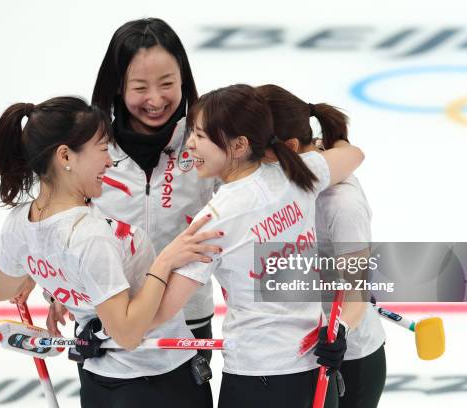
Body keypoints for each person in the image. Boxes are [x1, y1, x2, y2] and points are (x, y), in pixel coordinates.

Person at [0, 96, 216, 408]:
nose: (109, 161)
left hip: (97, 382)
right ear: (65, 156)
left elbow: (3, 289)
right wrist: (165, 261)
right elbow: (127, 333)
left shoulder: (18, 223)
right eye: (102, 148)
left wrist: (39, 268)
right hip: (155, 383)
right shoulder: (89, 235)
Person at [149, 84, 365, 408]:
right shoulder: (295, 173)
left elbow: (158, 313)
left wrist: (162, 261)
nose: (190, 145)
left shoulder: (214, 220)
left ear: (238, 145)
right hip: (314, 374)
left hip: (259, 381)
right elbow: (352, 155)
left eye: (201, 136)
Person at [47, 17, 217, 362]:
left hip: (186, 316)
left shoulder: (207, 142)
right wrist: (54, 289)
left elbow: (259, 204)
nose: (155, 99)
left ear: (183, 79)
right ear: (117, 87)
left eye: (167, 83)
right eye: (140, 87)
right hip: (109, 317)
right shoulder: (89, 152)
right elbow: (61, 224)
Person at [256, 84, 387, 408]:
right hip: (300, 351)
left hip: (349, 358)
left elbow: (356, 292)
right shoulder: (285, 181)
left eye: (255, 148)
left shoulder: (341, 203)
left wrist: (339, 330)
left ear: (287, 147)